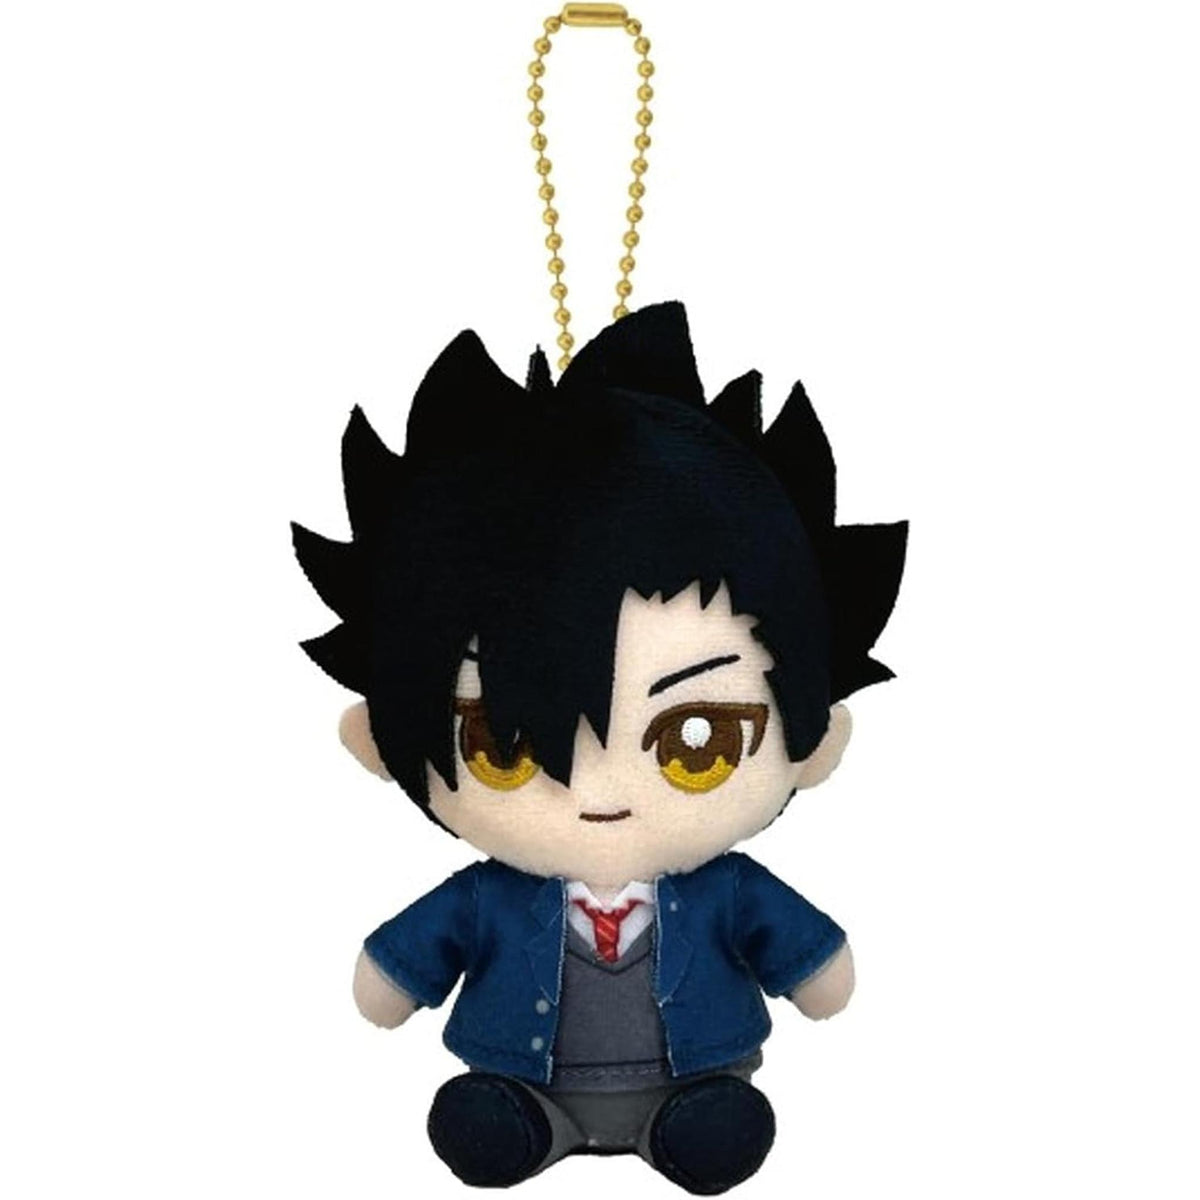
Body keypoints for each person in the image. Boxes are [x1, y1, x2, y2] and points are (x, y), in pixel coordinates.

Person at [293, 302, 906, 1193]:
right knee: (488, 1123)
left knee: (713, 1126)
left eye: (698, 743)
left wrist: (815, 971)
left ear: (814, 741)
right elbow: (405, 963)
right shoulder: (487, 898)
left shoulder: (729, 892)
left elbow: (811, 963)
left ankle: (689, 1126)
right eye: (505, 746)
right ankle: (522, 1127)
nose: (598, 794)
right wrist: (396, 975)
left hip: (696, 1079)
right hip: (525, 1080)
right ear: (380, 741)